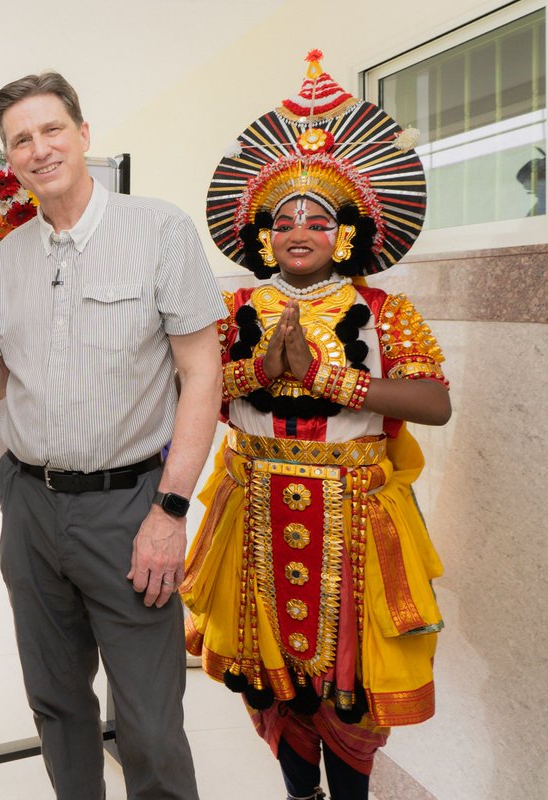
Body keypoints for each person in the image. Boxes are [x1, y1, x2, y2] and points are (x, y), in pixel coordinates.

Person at [0, 71, 225, 800]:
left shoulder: (160, 231)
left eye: (52, 130)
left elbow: (201, 376)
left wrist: (171, 513)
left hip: (130, 508)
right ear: (9, 158)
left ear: (84, 135)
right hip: (29, 505)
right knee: (55, 704)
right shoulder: (13, 254)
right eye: (21, 139)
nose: (39, 148)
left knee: (148, 720)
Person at [181, 51, 450, 800]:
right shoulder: (231, 312)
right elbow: (192, 392)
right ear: (264, 235)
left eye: (319, 218)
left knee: (351, 683)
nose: (301, 227)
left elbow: (435, 403)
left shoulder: (388, 312)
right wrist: (264, 373)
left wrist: (330, 377)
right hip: (254, 508)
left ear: (348, 233)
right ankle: (299, 793)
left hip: (358, 515)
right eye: (286, 217)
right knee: (269, 681)